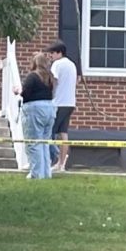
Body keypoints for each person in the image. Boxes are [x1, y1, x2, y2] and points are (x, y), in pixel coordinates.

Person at [19, 52, 57, 180]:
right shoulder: (50, 77)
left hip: (34, 109)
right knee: (44, 143)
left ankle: (36, 174)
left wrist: (18, 91)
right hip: (49, 108)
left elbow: (25, 94)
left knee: (33, 143)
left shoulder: (32, 76)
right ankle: (46, 173)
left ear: (34, 63)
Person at [47, 40, 77, 172]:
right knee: (63, 133)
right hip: (70, 102)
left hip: (58, 103)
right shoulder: (72, 65)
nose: (51, 56)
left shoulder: (57, 65)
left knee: (49, 133)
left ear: (60, 52)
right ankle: (61, 164)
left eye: (52, 53)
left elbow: (53, 82)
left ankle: (49, 161)